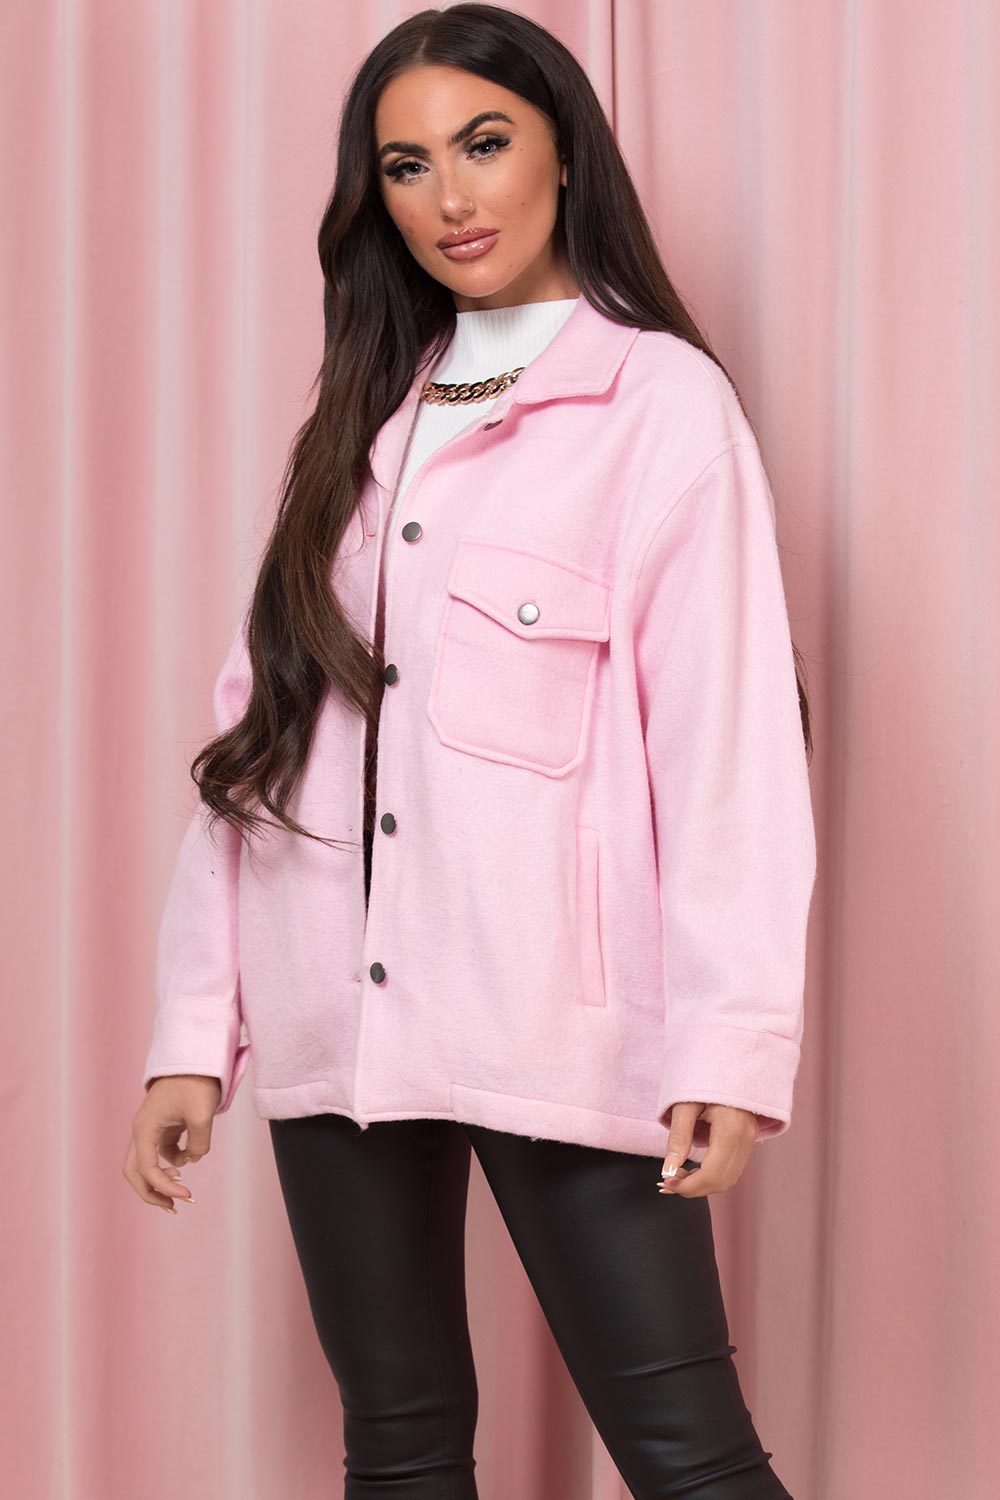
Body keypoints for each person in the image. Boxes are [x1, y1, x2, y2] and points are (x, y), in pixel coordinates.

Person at [124, 6, 817, 1497]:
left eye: (484, 144)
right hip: (335, 1014)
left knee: (693, 1463)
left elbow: (730, 746)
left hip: (560, 1013)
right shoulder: (364, 418)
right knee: (401, 1450)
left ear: (565, 151)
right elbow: (262, 734)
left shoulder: (660, 407)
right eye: (406, 165)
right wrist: (196, 1028)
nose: (450, 196)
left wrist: (729, 1040)